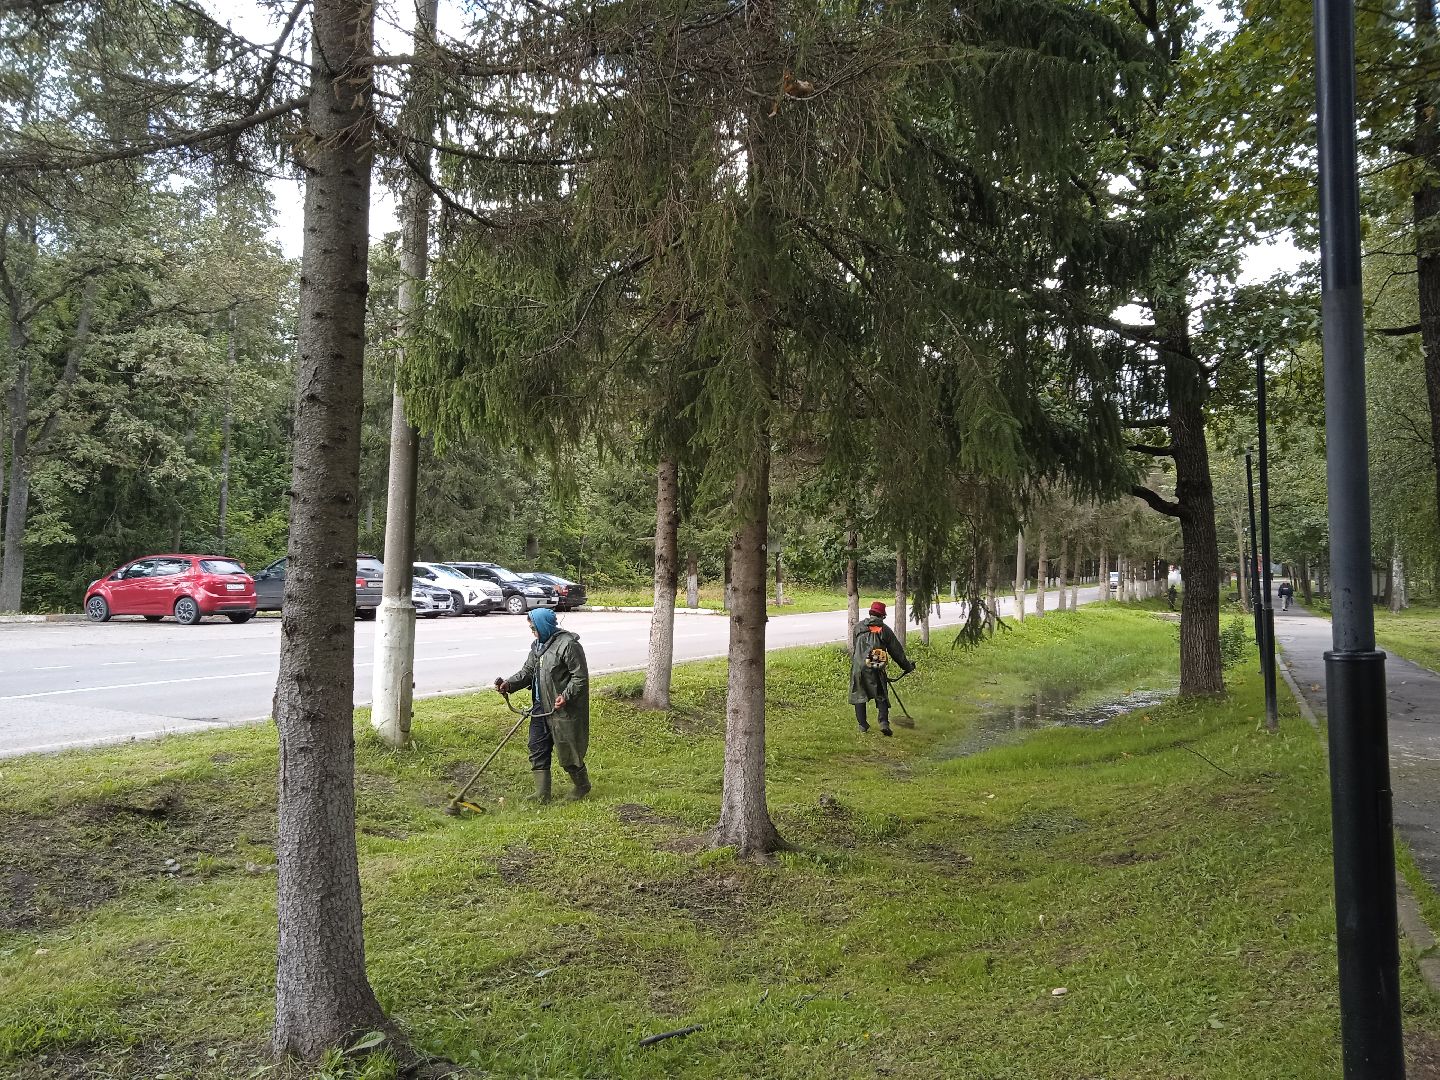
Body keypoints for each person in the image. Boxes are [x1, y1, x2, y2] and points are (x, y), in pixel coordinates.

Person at [494, 608, 590, 803]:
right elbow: (528, 671)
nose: (532, 631)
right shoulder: (538, 646)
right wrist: (509, 684)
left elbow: (579, 677)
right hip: (540, 706)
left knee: (567, 748)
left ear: (544, 625)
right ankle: (542, 792)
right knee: (537, 746)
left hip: (562, 707)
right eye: (531, 628)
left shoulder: (568, 645)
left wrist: (566, 696)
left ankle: (582, 786)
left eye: (534, 627)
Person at [849, 600, 914, 736]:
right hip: (875, 660)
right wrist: (907, 666)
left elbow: (856, 647)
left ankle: (862, 725)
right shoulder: (884, 629)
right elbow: (896, 652)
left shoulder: (858, 627)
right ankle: (883, 722)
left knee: (859, 694)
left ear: (871, 613)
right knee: (881, 692)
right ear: (882, 616)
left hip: (858, 664)